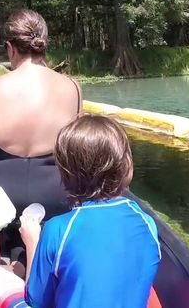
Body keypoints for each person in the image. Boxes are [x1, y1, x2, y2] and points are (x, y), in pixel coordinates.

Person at [0, 9, 82, 262]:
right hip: (55, 198)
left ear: (10, 47)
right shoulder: (73, 88)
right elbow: (77, 149)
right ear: (43, 45)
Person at [19, 114, 160, 308]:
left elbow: (36, 301)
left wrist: (32, 242)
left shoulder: (57, 230)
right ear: (127, 166)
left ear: (64, 175)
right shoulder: (146, 222)